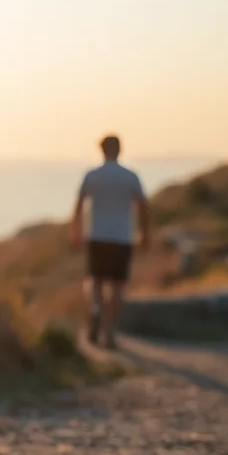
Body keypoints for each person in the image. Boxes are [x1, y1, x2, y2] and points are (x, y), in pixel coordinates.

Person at [69, 134, 150, 349]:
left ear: (101, 150)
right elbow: (143, 206)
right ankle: (109, 331)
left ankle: (96, 309)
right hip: (122, 237)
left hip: (97, 235)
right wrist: (144, 234)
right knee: (117, 285)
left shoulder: (92, 175)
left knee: (96, 280)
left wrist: (75, 232)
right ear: (120, 149)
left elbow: (79, 205)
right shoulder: (131, 176)